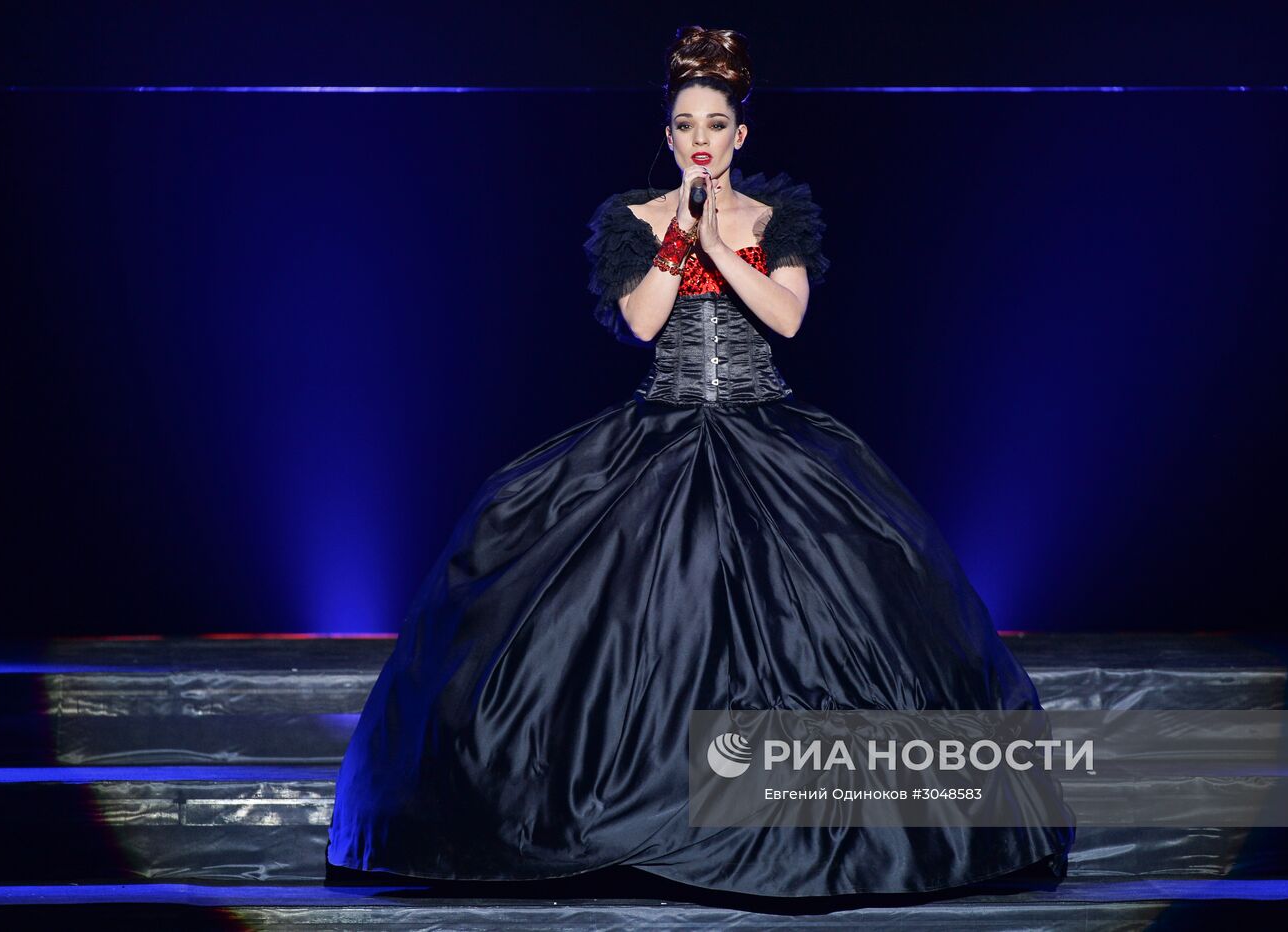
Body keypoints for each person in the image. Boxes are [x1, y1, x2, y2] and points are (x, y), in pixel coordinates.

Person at [327, 25, 1074, 900]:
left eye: (715, 124)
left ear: (739, 134)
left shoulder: (775, 217)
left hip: (766, 425)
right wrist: (681, 234)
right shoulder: (636, 219)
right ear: (669, 133)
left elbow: (787, 320)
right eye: (685, 125)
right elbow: (642, 323)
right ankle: (622, 818)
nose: (700, 139)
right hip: (664, 424)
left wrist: (721, 244)